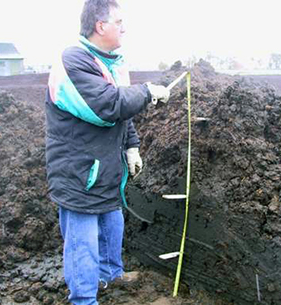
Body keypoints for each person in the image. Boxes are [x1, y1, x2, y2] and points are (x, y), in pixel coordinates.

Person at [44, 0, 170, 304]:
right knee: (83, 242)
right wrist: (147, 92)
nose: (124, 28)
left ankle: (112, 276)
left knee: (113, 225)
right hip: (79, 172)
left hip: (104, 167)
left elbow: (120, 115)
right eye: (119, 22)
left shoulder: (110, 62)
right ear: (101, 26)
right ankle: (85, 298)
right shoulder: (73, 60)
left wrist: (131, 145)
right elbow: (107, 104)